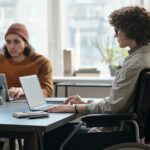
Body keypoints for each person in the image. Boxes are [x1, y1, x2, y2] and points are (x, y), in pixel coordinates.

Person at [43, 6, 150, 150]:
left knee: (51, 135)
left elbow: (112, 107)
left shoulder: (135, 64)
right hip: (128, 129)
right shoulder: (144, 57)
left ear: (129, 30)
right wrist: (87, 103)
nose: (115, 35)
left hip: (116, 133)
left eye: (117, 30)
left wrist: (75, 108)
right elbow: (117, 103)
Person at [0, 23, 53, 99]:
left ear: (26, 43)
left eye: (16, 42)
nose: (11, 46)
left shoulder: (42, 62)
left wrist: (25, 91)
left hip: (31, 106)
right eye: (8, 42)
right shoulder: (1, 59)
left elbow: (47, 91)